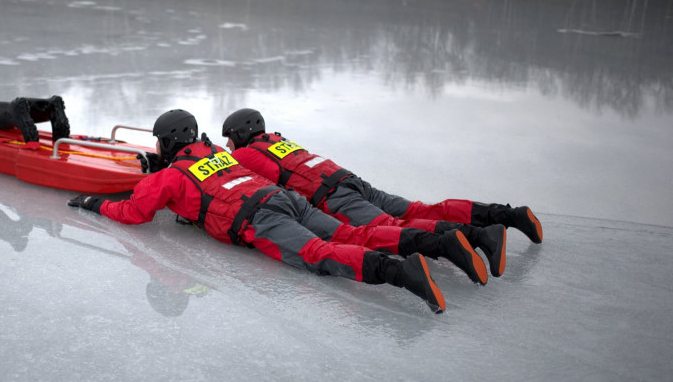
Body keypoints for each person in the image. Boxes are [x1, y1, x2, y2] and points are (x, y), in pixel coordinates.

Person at [67, 109, 492, 314]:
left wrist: (95, 203)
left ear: (163, 145)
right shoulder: (215, 151)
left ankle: (403, 273)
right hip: (287, 200)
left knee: (319, 254)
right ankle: (438, 242)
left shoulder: (169, 177)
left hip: (261, 219)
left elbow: (136, 212)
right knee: (351, 233)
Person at [220, 108, 544, 279]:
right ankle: (507, 215)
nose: (227, 147)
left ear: (240, 134)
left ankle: (479, 237)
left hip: (336, 197)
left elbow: (259, 183)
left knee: (392, 229)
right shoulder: (277, 139)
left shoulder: (247, 153)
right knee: (420, 209)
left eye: (229, 139)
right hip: (350, 180)